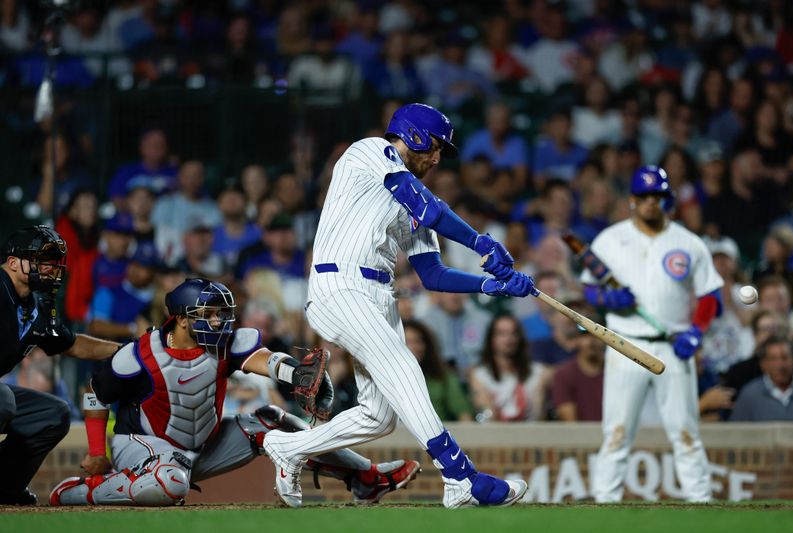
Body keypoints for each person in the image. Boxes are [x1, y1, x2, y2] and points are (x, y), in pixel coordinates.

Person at [262, 103, 534, 508]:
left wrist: (491, 286)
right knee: (403, 366)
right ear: (414, 135)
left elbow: (433, 275)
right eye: (435, 146)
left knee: (379, 415)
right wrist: (481, 241)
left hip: (378, 295)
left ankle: (290, 448)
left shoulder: (417, 200)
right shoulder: (370, 151)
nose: (438, 157)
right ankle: (460, 477)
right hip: (340, 284)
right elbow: (427, 206)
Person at [50, 278, 420, 507]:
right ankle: (82, 490)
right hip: (146, 445)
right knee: (169, 483)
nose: (218, 321)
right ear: (180, 319)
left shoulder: (225, 342)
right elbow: (94, 391)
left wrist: (293, 372)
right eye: (207, 314)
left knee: (274, 422)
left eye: (220, 313)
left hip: (204, 443)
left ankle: (365, 479)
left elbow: (261, 357)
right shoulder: (140, 354)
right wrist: (98, 451)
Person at [582, 166, 723, 503]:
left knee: (686, 433)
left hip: (673, 347)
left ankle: (700, 502)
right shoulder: (610, 239)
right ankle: (605, 503)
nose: (649, 202)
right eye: (643, 196)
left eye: (656, 196)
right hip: (624, 343)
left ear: (667, 200)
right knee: (616, 434)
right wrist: (609, 299)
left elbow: (710, 295)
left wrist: (696, 333)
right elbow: (589, 291)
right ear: (632, 200)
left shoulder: (688, 243)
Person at [0, 226, 122, 505]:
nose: (50, 268)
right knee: (3, 399)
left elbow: (72, 345)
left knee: (52, 413)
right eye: (41, 259)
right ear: (13, 262)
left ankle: (4, 486)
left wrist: (128, 350)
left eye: (53, 261)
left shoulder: (33, 307)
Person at [470, 315, 544, 422]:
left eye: (513, 333)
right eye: (501, 333)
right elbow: (487, 416)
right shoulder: (480, 375)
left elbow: (538, 416)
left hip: (531, 434)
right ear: (491, 339)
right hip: (495, 434)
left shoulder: (537, 372)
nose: (508, 339)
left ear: (520, 338)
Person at [403, 320, 473, 423]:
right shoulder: (380, 379)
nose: (412, 347)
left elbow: (464, 416)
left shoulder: (444, 378)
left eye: (417, 342)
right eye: (406, 342)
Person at [729, 335, 793, 422]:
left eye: (785, 358)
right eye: (773, 359)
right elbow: (736, 432)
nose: (779, 365)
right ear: (763, 364)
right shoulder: (750, 394)